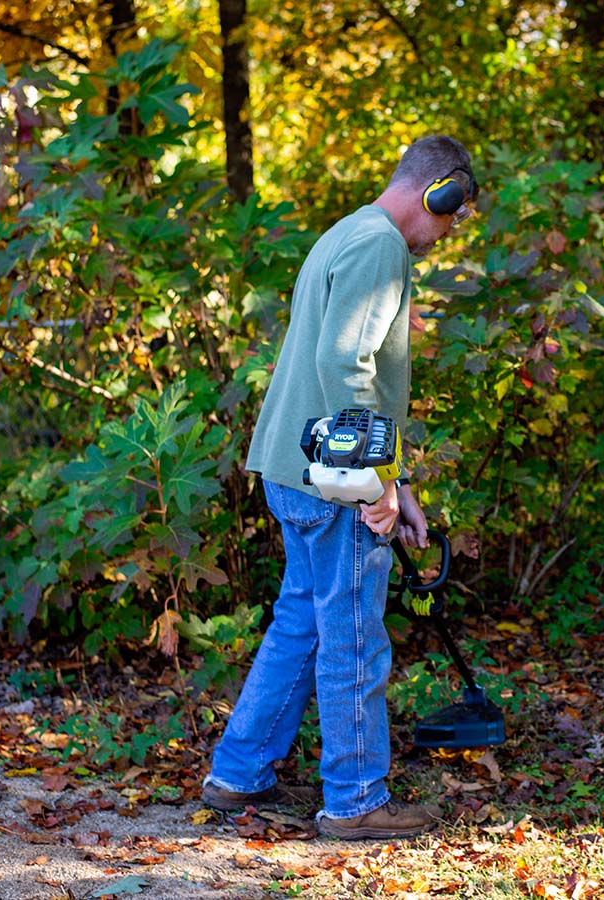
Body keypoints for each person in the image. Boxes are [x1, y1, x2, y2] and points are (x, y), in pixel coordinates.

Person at [201, 135, 478, 840]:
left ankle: (239, 772)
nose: (446, 236)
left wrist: (400, 481)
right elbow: (343, 362)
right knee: (354, 634)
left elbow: (362, 379)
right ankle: (355, 801)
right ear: (437, 194)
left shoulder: (347, 234)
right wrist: (374, 484)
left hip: (295, 470)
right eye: (453, 218)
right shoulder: (381, 245)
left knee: (301, 621)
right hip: (333, 482)